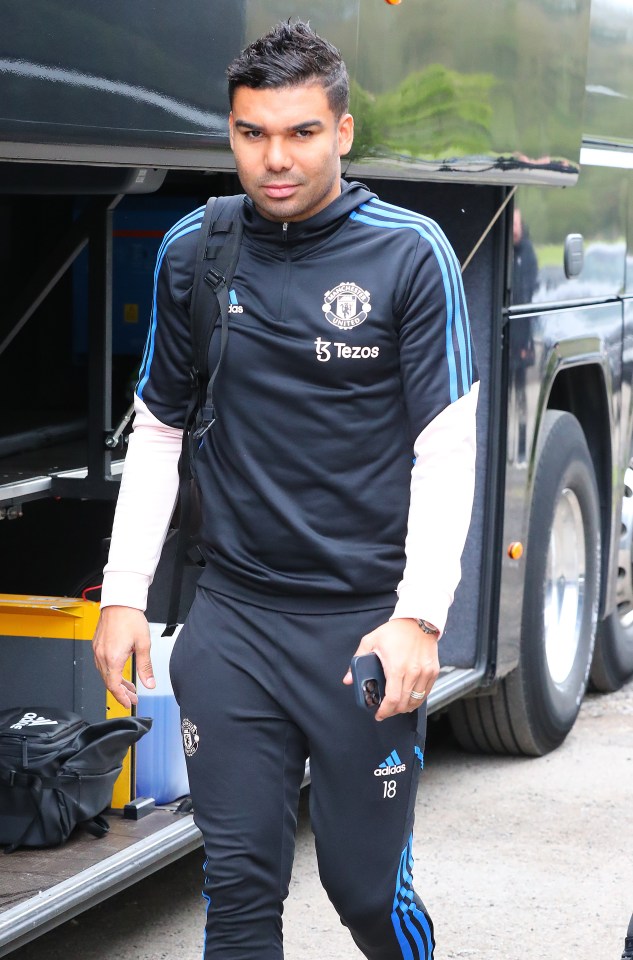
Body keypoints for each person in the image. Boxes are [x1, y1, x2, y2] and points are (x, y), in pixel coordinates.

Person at [93, 20, 479, 960]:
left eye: (301, 132)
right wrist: (121, 595)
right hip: (235, 623)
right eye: (251, 132)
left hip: (362, 630)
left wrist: (420, 618)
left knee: (364, 893)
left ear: (342, 133)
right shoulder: (197, 250)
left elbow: (446, 449)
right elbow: (158, 431)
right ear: (228, 133)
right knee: (236, 890)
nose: (275, 158)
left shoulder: (409, 254)